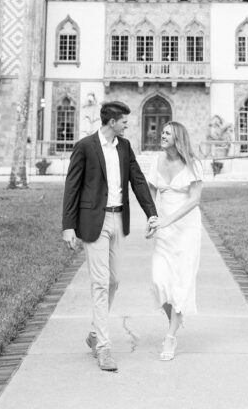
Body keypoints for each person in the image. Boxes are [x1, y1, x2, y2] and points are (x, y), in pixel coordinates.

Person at [62, 100, 158, 372]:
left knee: (114, 280)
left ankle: (94, 333)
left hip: (119, 218)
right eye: (124, 121)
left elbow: (138, 180)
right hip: (95, 221)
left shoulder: (125, 147)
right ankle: (104, 347)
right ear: (112, 122)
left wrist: (151, 212)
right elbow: (72, 187)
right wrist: (68, 226)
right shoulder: (85, 147)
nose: (128, 125)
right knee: (101, 283)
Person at [146, 120, 203, 361]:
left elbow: (194, 200)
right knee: (159, 282)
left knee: (181, 284)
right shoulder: (155, 161)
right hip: (164, 230)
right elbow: (150, 193)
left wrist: (168, 221)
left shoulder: (193, 164)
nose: (162, 135)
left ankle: (170, 337)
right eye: (162, 132)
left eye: (167, 133)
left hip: (186, 230)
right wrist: (151, 220)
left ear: (178, 137)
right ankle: (176, 318)